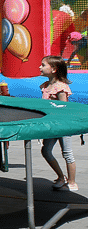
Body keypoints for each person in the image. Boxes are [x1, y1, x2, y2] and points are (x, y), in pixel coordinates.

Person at [39, 55, 78, 191]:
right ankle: (61, 177)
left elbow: (64, 107)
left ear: (54, 69)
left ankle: (72, 182)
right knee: (46, 151)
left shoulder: (60, 87)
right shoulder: (46, 86)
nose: (40, 67)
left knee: (67, 152)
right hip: (52, 125)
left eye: (43, 65)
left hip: (62, 125)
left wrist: (63, 124)